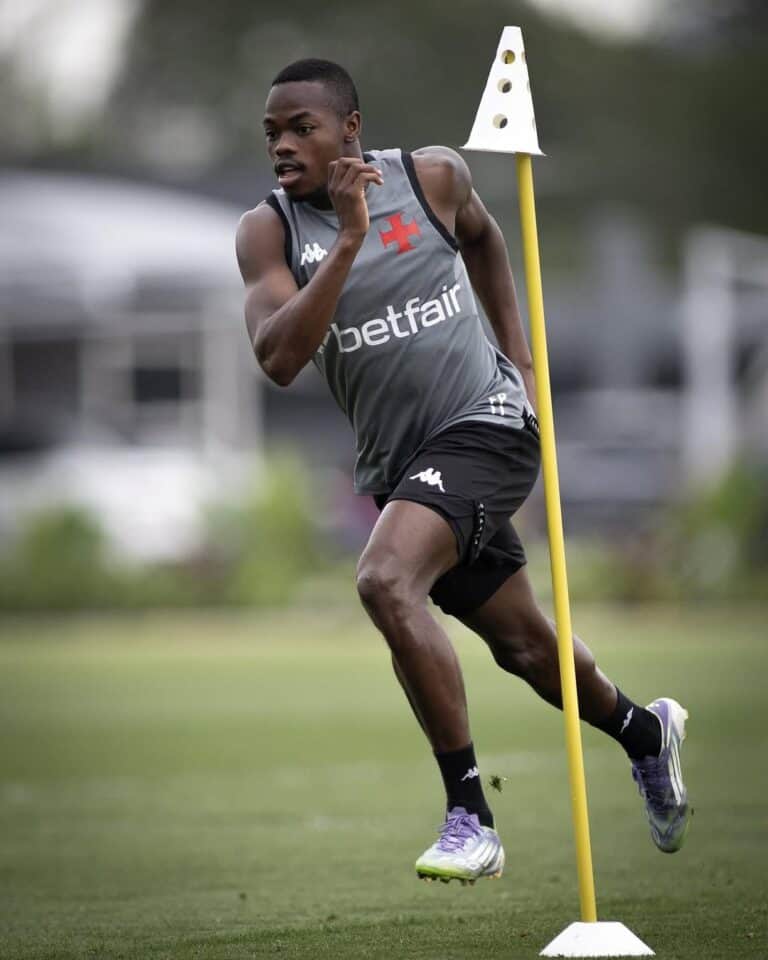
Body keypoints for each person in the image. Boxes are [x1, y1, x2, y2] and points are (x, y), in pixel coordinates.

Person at [236, 58, 690, 883]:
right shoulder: (267, 232)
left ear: (351, 128)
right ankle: (646, 733)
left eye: (302, 126)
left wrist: (518, 357)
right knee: (525, 649)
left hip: (488, 425)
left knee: (383, 579)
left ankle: (470, 816)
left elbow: (483, 233)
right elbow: (278, 358)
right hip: (402, 466)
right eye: (272, 132)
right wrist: (347, 239)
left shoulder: (432, 176)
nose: (284, 144)